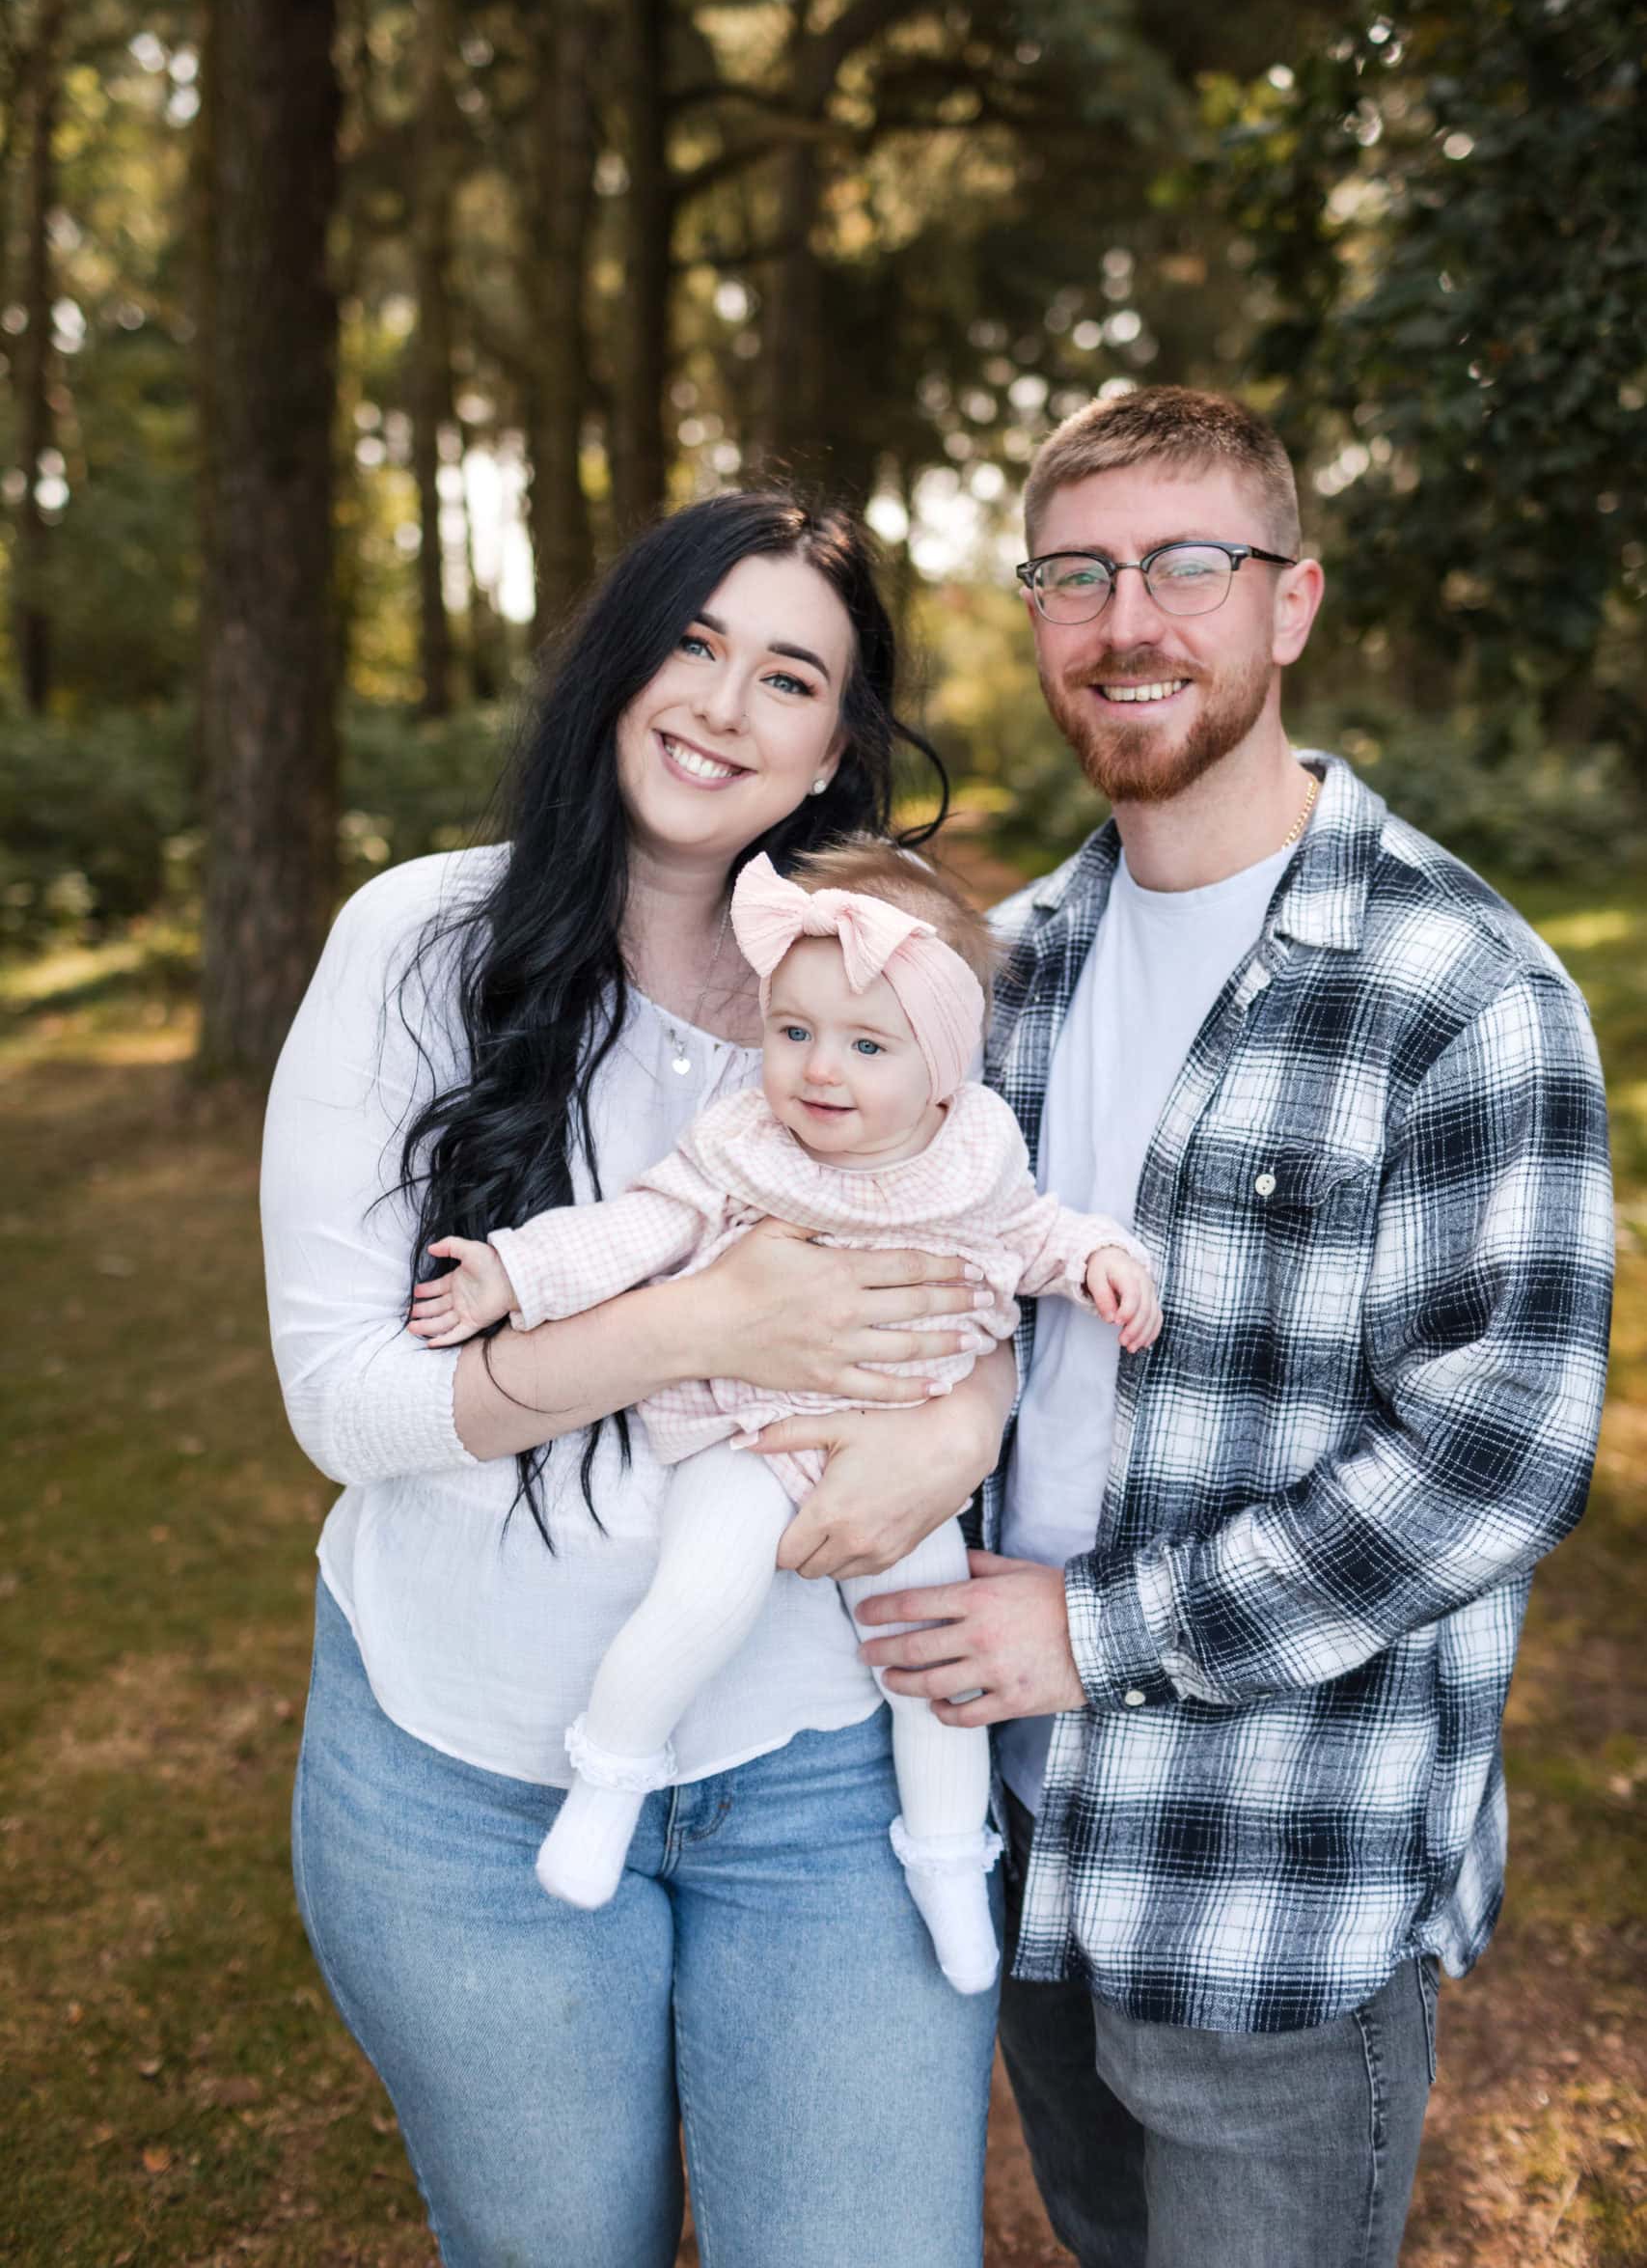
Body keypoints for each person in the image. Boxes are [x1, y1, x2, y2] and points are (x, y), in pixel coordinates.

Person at [853, 385, 1614, 2268]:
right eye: (1078, 572)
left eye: (1192, 564)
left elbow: (1491, 1454)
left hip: (1275, 1877)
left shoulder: (1459, 987)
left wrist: (1095, 1626)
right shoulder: (995, 973)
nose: (1130, 620)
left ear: (1291, 603)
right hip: (1017, 1832)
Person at [261, 491, 1018, 2268]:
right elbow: (346, 1404)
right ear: (616, 661)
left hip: (823, 1764)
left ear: (839, 739)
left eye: (788, 676)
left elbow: (993, 1254)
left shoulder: (898, 975)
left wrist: (961, 1421)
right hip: (471, 1781)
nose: (721, 706)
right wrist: (691, 1326)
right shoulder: (419, 944)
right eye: (691, 644)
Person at [407, 837, 1159, 1994]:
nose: (819, 1070)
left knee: (938, 1659)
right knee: (699, 1592)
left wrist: (1105, 1259)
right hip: (747, 1436)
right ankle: (609, 1782)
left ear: (942, 1070)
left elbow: (1036, 1235)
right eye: (794, 1032)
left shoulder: (977, 1155)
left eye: (867, 1045)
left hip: (898, 1452)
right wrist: (510, 1275)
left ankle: (952, 1865)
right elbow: (629, 1233)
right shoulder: (742, 1150)